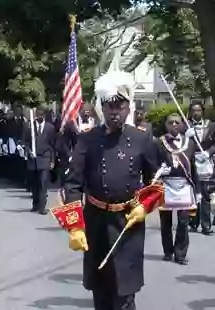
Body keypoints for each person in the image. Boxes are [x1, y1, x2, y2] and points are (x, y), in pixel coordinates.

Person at [50, 70, 164, 310]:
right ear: (102, 108)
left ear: (128, 107)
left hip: (128, 223)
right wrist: (75, 226)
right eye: (109, 106)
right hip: (96, 221)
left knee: (125, 293)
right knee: (101, 290)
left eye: (120, 106)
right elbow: (72, 184)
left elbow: (156, 182)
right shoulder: (88, 139)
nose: (115, 112)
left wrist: (145, 206)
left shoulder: (142, 139)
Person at [156, 113, 200, 264]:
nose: (174, 124)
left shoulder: (191, 143)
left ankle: (180, 253)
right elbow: (153, 164)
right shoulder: (159, 142)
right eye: (170, 122)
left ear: (182, 124)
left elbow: (193, 168)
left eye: (177, 122)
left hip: (184, 185)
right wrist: (157, 177)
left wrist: (198, 189)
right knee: (165, 222)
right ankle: (168, 251)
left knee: (183, 221)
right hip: (166, 185)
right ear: (166, 125)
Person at [187, 101, 215, 234]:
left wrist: (208, 153)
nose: (196, 112)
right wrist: (186, 136)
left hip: (205, 162)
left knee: (204, 195)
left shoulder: (211, 125)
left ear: (202, 111)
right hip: (191, 163)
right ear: (190, 112)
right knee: (192, 195)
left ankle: (206, 225)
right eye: (193, 110)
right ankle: (193, 223)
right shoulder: (186, 126)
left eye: (198, 110)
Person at [25, 106, 56, 215]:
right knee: (35, 183)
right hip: (33, 159)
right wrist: (28, 151)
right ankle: (35, 204)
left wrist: (52, 160)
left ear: (45, 116)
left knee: (43, 182)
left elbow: (53, 146)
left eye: (42, 115)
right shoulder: (30, 127)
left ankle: (42, 207)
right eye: (38, 115)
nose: (40, 117)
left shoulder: (50, 128)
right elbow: (26, 142)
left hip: (45, 158)